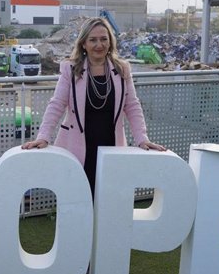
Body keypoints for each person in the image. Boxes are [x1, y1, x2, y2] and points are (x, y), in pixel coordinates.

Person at [22, 17, 165, 196]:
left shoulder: (122, 68)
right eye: (93, 40)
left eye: (104, 39)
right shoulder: (70, 68)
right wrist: (43, 136)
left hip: (111, 145)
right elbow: (56, 104)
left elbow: (132, 105)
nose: (99, 44)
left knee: (108, 200)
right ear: (83, 44)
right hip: (78, 146)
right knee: (79, 200)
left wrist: (141, 138)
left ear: (110, 42)